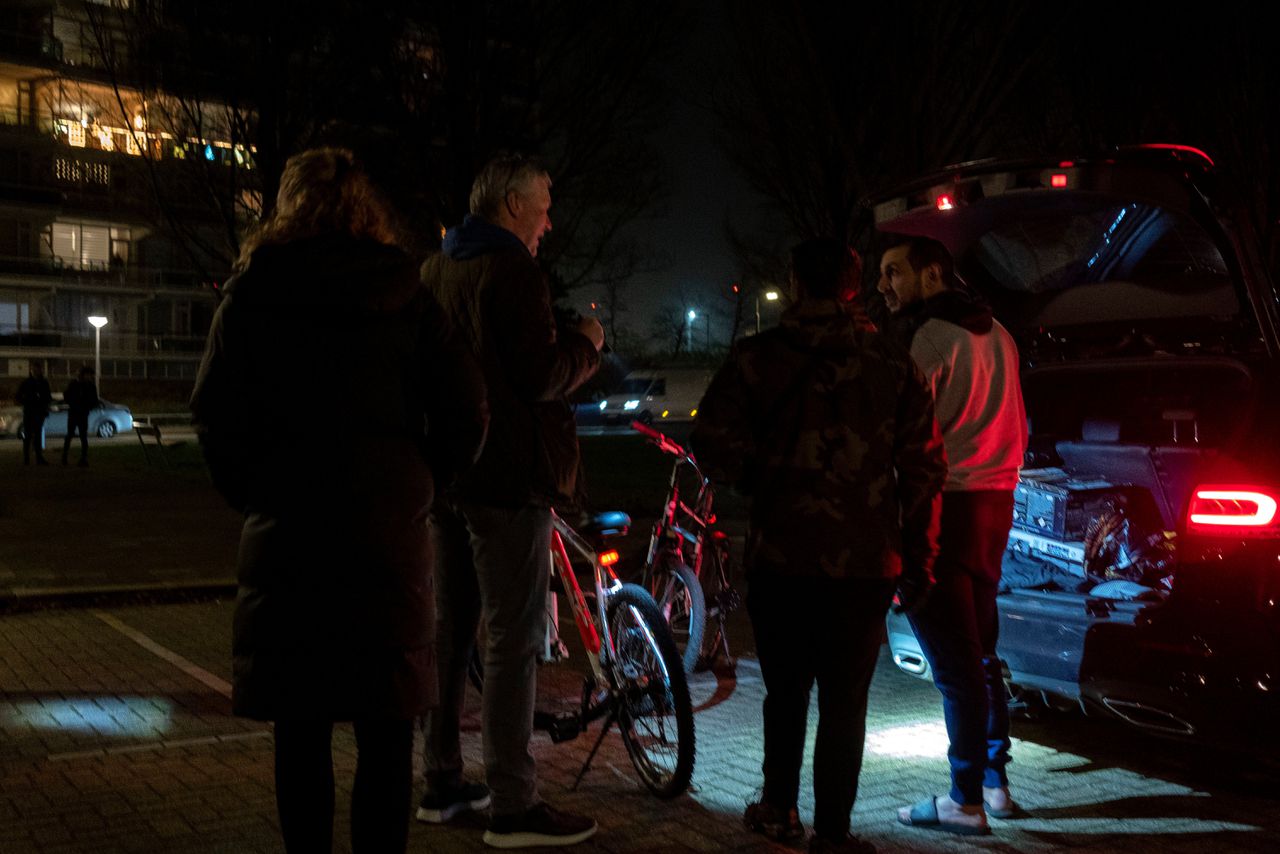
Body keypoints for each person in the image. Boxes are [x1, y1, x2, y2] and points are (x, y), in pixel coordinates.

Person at [190, 147, 488, 854]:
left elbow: (214, 416)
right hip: (388, 544)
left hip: (289, 539)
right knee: (386, 737)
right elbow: (468, 411)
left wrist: (257, 493)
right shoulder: (408, 297)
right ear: (367, 211)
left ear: (287, 208)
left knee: (301, 736)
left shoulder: (251, 295)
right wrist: (423, 481)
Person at [692, 238, 946, 854]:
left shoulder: (757, 358)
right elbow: (925, 468)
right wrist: (920, 556)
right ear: (854, 286)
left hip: (781, 557)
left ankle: (778, 808)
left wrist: (762, 474)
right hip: (864, 563)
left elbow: (711, 443)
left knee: (785, 691)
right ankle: (833, 831)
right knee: (845, 699)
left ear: (796, 283)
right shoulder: (892, 361)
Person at [418, 152, 603, 849]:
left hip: (452, 477)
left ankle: (440, 780)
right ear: (512, 204)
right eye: (545, 204)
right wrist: (586, 345)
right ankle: (513, 803)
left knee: (451, 630)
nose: (550, 222)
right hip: (506, 480)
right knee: (511, 637)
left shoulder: (437, 269)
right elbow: (539, 375)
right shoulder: (514, 272)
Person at [879, 236, 1027, 836]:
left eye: (894, 273)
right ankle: (995, 784)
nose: (884, 285)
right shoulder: (1000, 334)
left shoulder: (928, 338)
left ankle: (963, 800)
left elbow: (899, 428)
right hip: (996, 504)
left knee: (955, 667)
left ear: (932, 274)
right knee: (982, 653)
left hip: (944, 508)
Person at [62, 366, 100, 467]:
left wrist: (87, 406)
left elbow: (94, 400)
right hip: (75, 413)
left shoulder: (90, 386)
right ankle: (65, 458)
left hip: (81, 413)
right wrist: (75, 404)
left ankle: (82, 459)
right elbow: (67, 396)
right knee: (71, 435)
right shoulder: (75, 384)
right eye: (89, 375)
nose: (90, 377)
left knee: (82, 436)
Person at [16, 361, 52, 466]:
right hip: (30, 412)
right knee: (28, 436)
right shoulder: (27, 383)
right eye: (34, 369)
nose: (36, 371)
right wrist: (27, 401)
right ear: (31, 370)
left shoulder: (43, 383)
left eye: (37, 369)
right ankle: (27, 459)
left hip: (39, 412)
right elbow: (18, 396)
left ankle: (38, 458)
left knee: (37, 436)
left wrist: (43, 404)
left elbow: (48, 397)